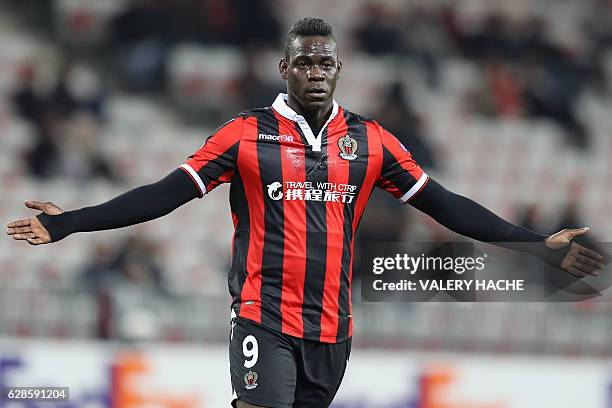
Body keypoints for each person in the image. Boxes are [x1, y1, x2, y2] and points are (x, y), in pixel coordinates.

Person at [6, 17, 605, 408]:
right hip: (262, 317)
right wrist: (70, 222)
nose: (314, 72)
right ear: (284, 69)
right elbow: (165, 193)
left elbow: (448, 207)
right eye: (304, 63)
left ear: (339, 70)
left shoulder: (371, 141)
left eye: (325, 64)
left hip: (332, 331)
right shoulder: (244, 136)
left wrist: (537, 244)